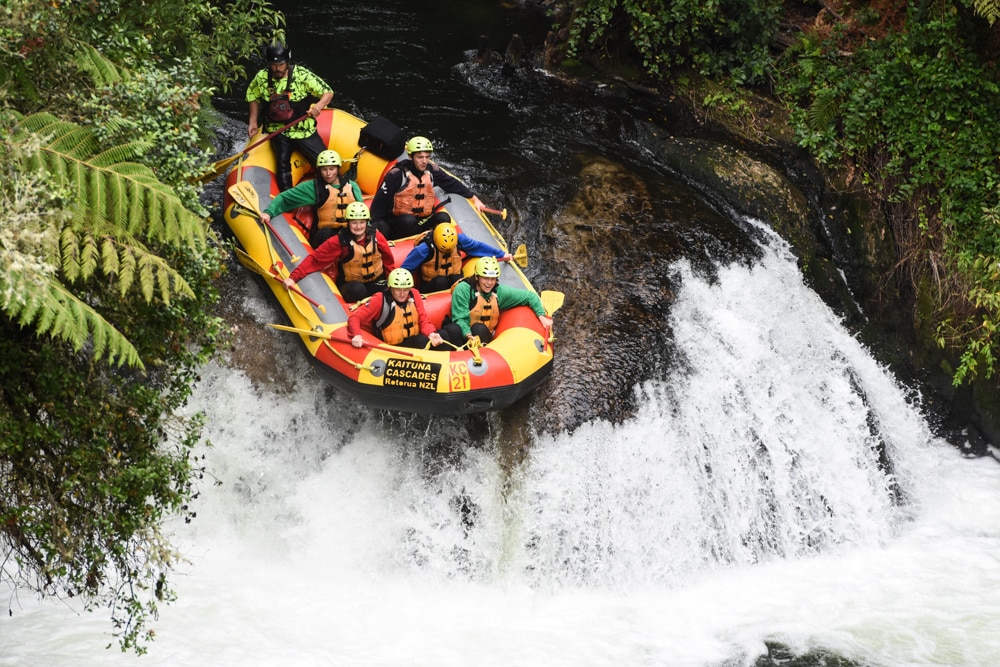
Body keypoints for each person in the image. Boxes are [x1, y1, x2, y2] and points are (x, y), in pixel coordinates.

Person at [246, 41, 334, 192]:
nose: (278, 68)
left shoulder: (302, 75)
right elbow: (252, 95)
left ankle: (332, 190)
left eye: (281, 64)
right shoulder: (261, 78)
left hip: (303, 129)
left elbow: (328, 92)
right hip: (278, 131)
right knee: (282, 164)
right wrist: (253, 121)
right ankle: (288, 197)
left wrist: (319, 106)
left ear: (287, 61)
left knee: (324, 160)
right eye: (274, 65)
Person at [370, 136, 486, 240]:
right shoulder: (395, 175)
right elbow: (378, 208)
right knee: (408, 221)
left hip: (419, 223)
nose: (424, 161)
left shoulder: (431, 171)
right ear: (411, 156)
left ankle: (432, 244)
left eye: (427, 157)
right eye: (420, 157)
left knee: (443, 217)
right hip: (398, 224)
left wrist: (474, 199)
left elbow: (452, 183)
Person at [282, 201, 395, 303]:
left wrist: (392, 282)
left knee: (385, 292)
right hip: (351, 286)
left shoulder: (376, 236)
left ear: (367, 223)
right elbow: (314, 259)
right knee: (357, 290)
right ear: (348, 223)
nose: (358, 227)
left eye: (361, 222)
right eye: (354, 223)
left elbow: (388, 260)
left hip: (375, 281)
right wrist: (293, 278)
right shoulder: (339, 241)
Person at [260, 149, 363, 247]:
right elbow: (284, 198)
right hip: (325, 235)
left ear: (338, 168)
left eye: (332, 169)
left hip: (349, 232)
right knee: (327, 234)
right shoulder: (313, 187)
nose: (328, 174)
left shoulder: (352, 186)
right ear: (319, 170)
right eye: (324, 169)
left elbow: (363, 214)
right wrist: (268, 212)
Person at [443, 256, 552, 345]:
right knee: (452, 328)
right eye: (485, 278)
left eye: (493, 279)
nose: (489, 283)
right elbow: (460, 319)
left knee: (479, 329)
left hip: (482, 337)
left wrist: (541, 316)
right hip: (464, 336)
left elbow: (529, 296)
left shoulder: (498, 292)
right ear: (477, 277)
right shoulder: (463, 290)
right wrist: (468, 335)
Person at [347, 269, 453, 351]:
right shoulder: (379, 299)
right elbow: (355, 317)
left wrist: (431, 333)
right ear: (391, 288)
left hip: (413, 340)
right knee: (421, 341)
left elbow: (423, 320)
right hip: (392, 347)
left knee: (442, 335)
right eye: (398, 290)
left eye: (406, 290)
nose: (402, 294)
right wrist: (356, 335)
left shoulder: (414, 294)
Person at [401, 221, 512, 293]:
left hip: (453, 278)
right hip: (431, 285)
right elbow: (405, 269)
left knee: (459, 280)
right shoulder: (424, 249)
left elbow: (477, 247)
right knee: (441, 281)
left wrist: (501, 254)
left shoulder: (458, 239)